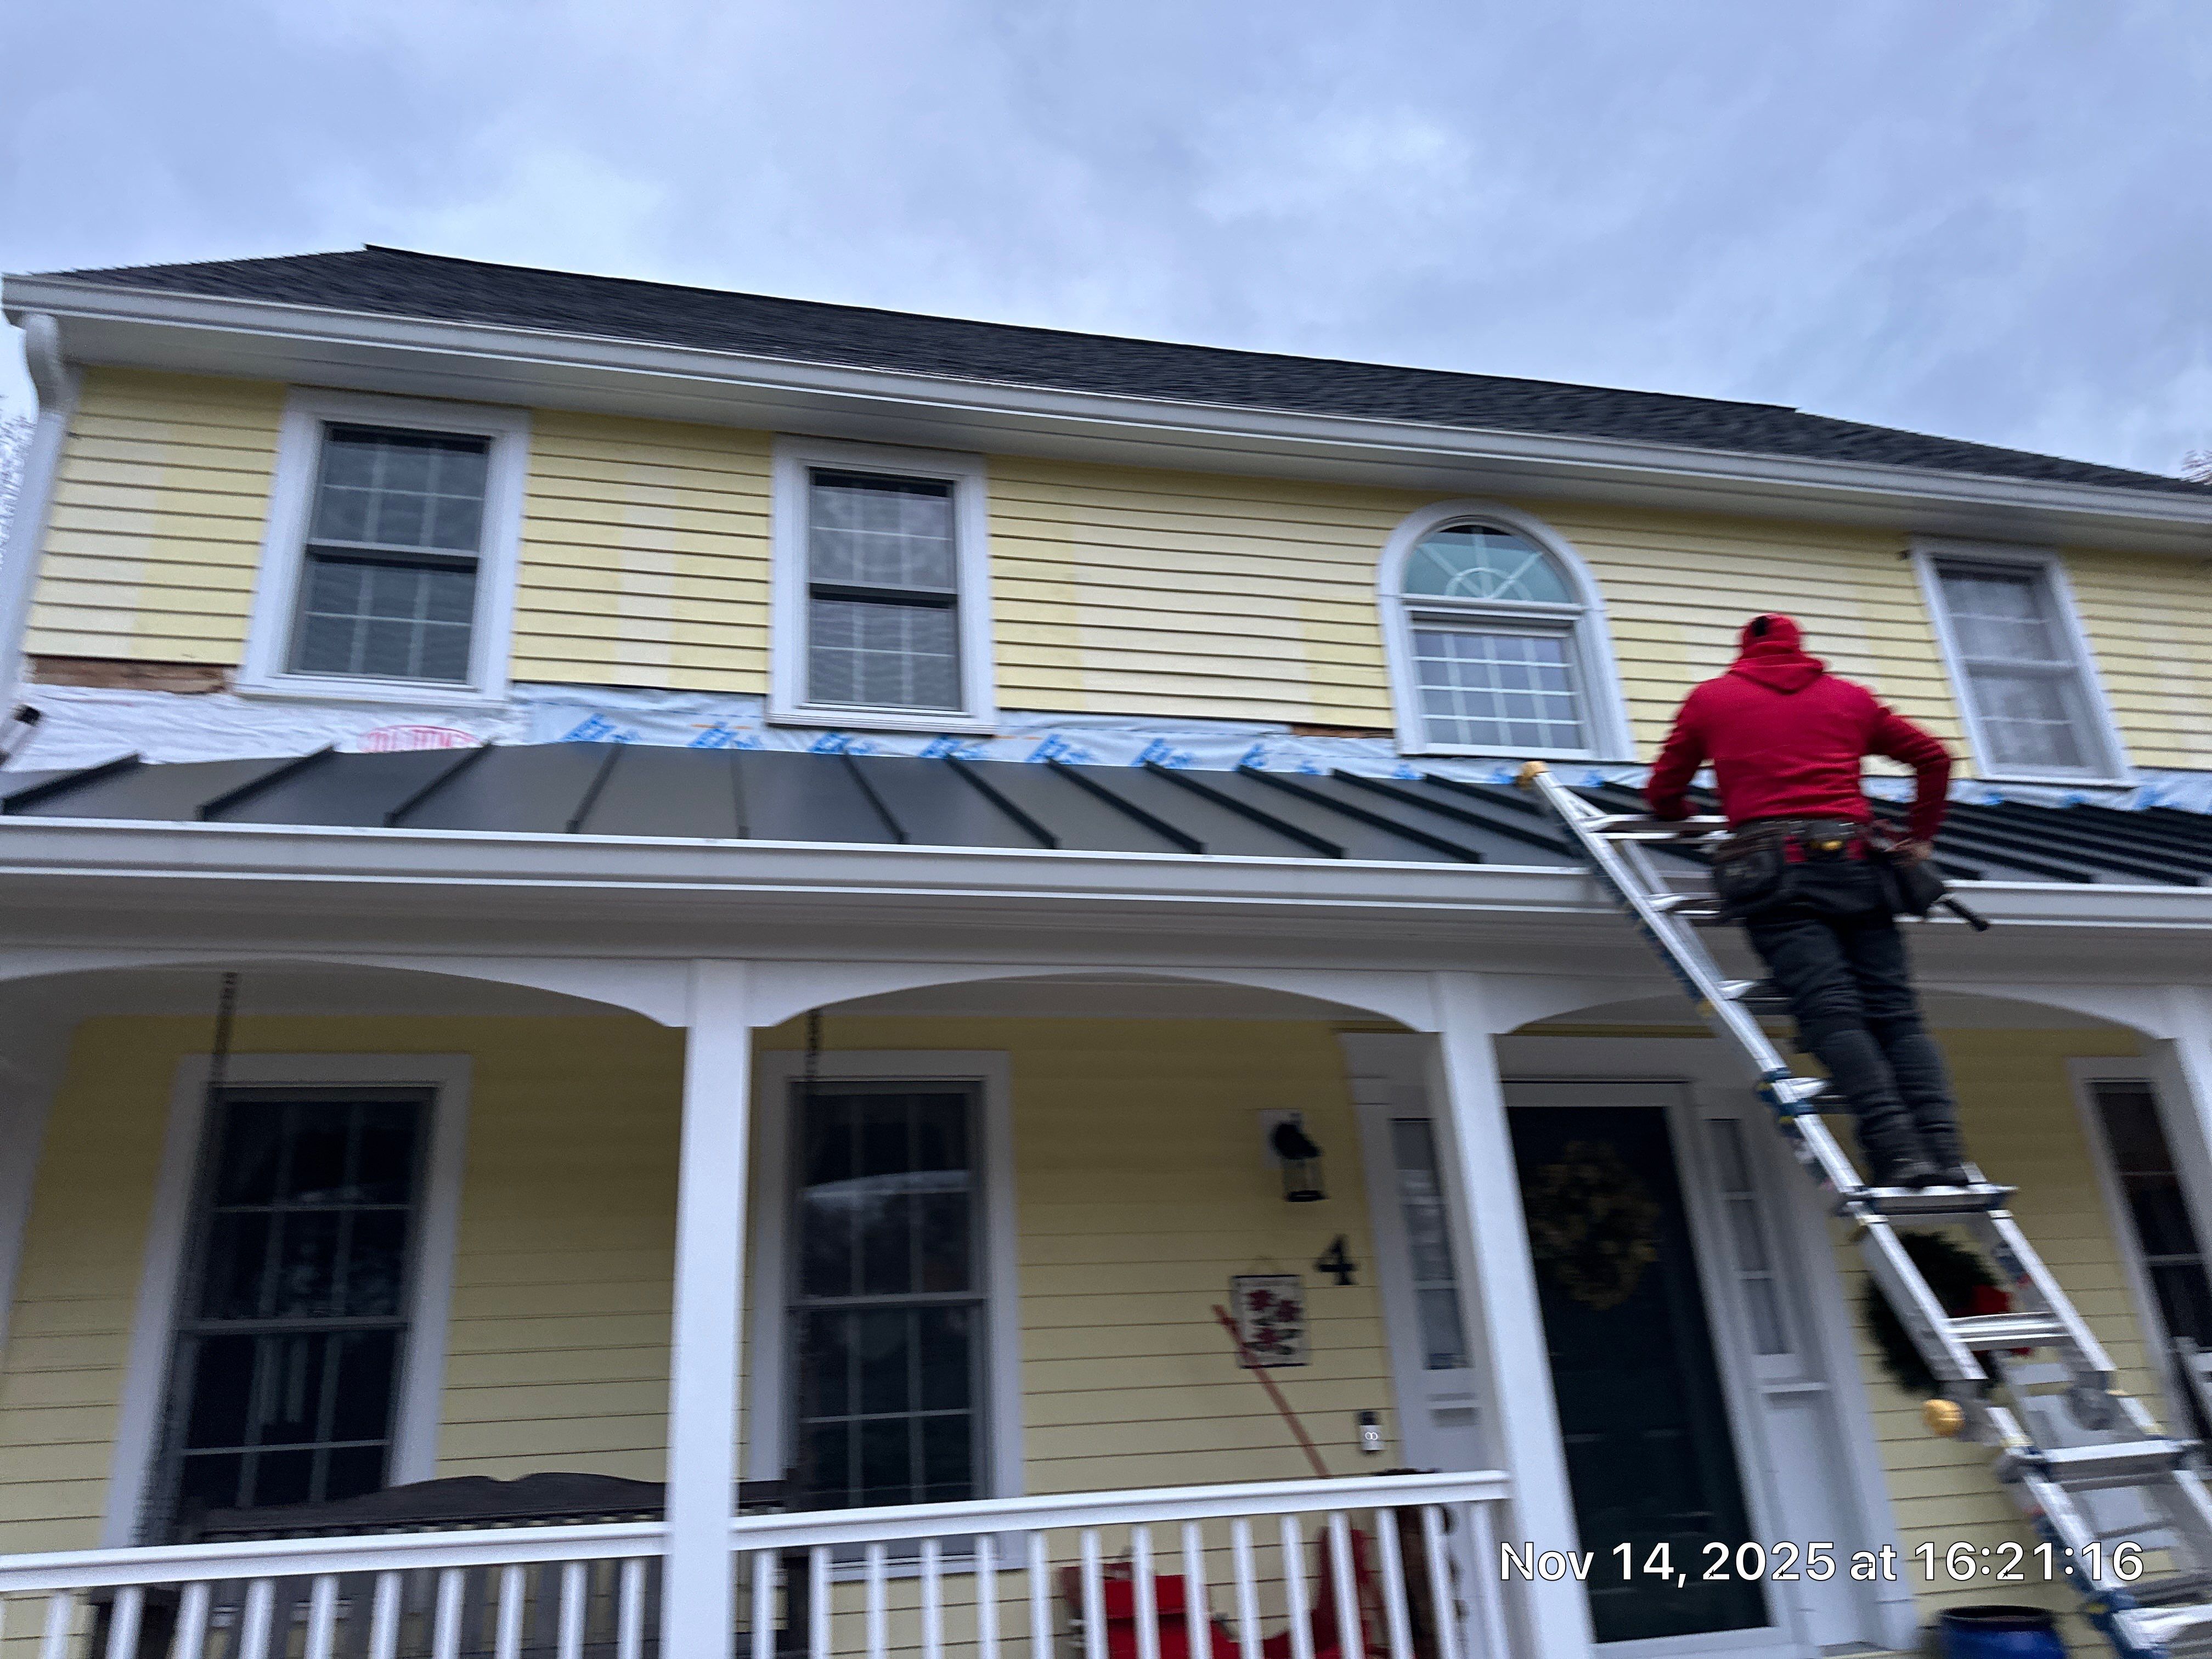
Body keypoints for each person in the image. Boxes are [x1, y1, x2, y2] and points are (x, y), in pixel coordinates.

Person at [1646, 613, 1972, 1190]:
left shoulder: (1711, 700)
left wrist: (1683, 818)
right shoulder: (1849, 698)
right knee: (1896, 1013)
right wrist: (1921, 836)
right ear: (1801, 649)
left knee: (1831, 1011)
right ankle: (1945, 1152)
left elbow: (1663, 792)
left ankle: (1898, 1151)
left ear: (1743, 651)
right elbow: (1936, 758)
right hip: (1856, 868)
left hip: (1777, 874)